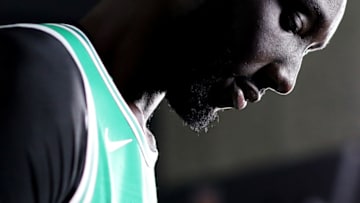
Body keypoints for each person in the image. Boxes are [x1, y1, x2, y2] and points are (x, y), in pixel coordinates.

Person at [0, 0, 347, 202]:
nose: (287, 80)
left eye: (309, 50)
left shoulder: (128, 143)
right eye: (293, 22)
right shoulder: (38, 84)